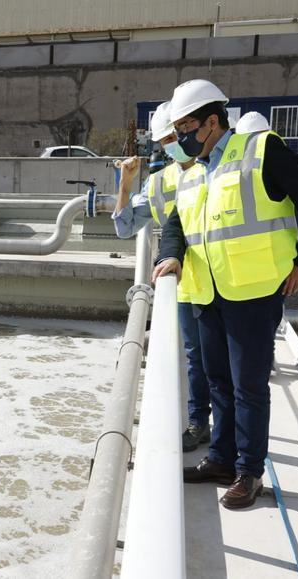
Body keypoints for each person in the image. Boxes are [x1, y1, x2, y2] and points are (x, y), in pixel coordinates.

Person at [152, 80, 298, 511]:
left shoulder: (260, 151)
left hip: (253, 290)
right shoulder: (196, 169)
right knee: (218, 381)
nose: (179, 138)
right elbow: (176, 224)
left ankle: (249, 472)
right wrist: (171, 257)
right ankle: (220, 459)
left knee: (248, 385)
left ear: (212, 122)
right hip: (208, 290)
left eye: (185, 127)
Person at [112, 101, 209, 453]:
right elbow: (125, 227)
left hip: (229, 280)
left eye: (175, 135)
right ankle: (199, 422)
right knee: (197, 357)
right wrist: (125, 184)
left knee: (231, 365)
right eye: (166, 139)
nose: (172, 142)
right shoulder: (159, 183)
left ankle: (235, 446)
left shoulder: (218, 168)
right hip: (186, 285)